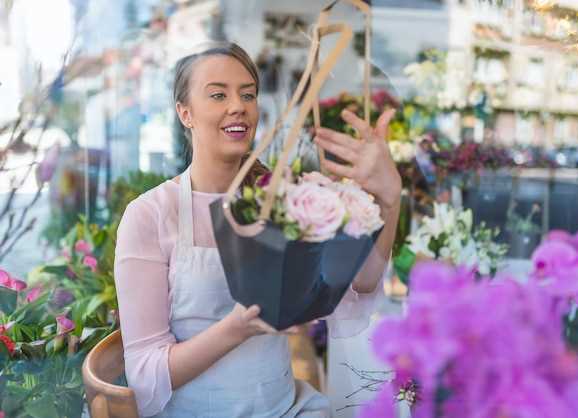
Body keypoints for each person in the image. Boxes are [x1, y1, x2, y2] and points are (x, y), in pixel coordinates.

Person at [114, 42, 401, 418]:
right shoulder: (149, 215)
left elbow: (359, 285)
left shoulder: (288, 201)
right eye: (218, 94)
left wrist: (389, 198)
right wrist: (238, 328)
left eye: (247, 94)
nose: (239, 105)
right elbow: (145, 375)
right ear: (185, 113)